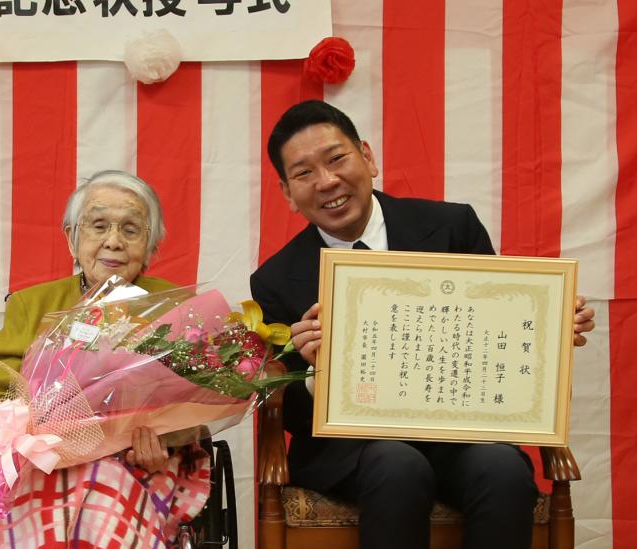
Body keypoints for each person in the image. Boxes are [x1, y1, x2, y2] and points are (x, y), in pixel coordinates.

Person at [250, 100, 596, 549]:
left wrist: (548, 329)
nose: (327, 181)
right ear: (287, 193)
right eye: (303, 173)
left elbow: (498, 339)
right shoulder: (275, 279)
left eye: (336, 159)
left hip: (461, 435)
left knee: (503, 470)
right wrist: (315, 372)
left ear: (368, 157)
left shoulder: (452, 226)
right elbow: (291, 412)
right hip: (353, 453)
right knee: (398, 465)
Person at [0, 170, 209, 548]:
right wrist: (35, 431)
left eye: (131, 230)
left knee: (103, 485)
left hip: (144, 467)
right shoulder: (32, 304)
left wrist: (164, 439)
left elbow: (199, 401)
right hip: (42, 465)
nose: (113, 242)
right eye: (99, 226)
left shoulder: (180, 308)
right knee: (62, 491)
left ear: (151, 247)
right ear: (72, 237)